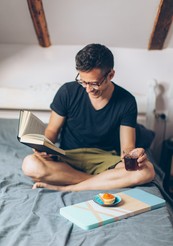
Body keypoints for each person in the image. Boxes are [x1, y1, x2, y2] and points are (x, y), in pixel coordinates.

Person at [22, 43, 155, 192]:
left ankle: (69, 187)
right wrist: (44, 146)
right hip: (68, 156)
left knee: (147, 171)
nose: (87, 89)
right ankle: (99, 181)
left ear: (110, 75)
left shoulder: (127, 101)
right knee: (30, 164)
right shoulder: (67, 91)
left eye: (94, 83)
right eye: (83, 81)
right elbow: (52, 130)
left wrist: (133, 155)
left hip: (104, 159)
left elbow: (127, 149)